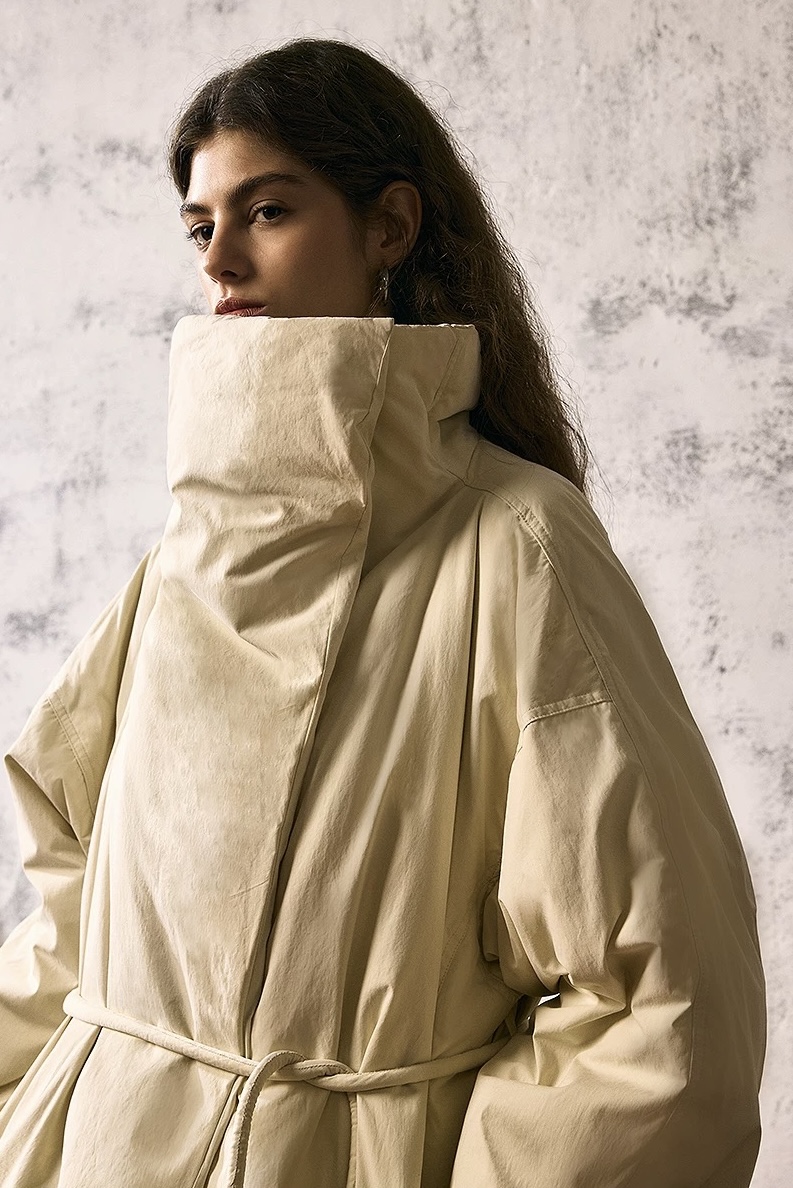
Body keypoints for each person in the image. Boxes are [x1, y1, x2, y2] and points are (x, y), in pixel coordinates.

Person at [0, 36, 765, 1188]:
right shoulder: (185, 554)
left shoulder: (517, 542)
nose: (223, 261)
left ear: (389, 227)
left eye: (267, 211)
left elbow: (656, 1000)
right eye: (201, 227)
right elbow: (73, 895)